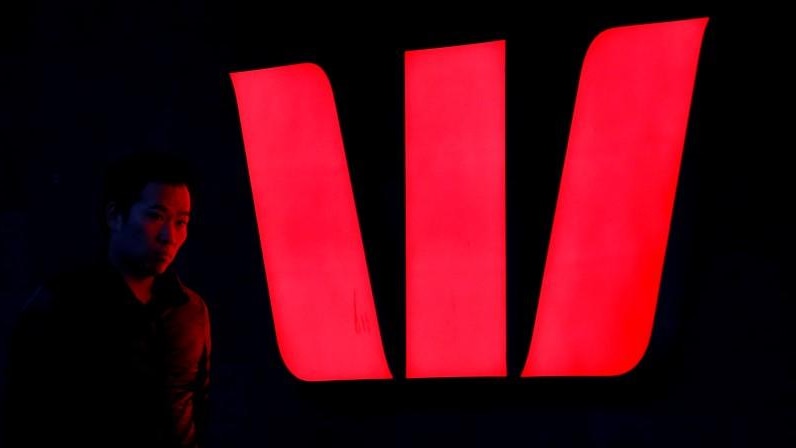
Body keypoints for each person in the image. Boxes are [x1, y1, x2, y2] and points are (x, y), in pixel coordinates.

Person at [3, 150, 211, 448]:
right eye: (156, 216)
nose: (170, 235)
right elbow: (24, 418)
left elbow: (199, 408)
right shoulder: (61, 305)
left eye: (181, 222)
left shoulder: (190, 311)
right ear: (115, 215)